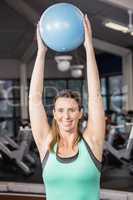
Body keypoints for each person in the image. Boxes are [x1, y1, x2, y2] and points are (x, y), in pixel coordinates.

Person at [29, 14, 105, 200]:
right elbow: (34, 99)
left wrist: (88, 48)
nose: (66, 116)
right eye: (61, 110)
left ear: (80, 113)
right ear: (54, 114)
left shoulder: (92, 142)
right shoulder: (45, 143)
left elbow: (95, 96)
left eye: (72, 110)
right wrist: (40, 52)